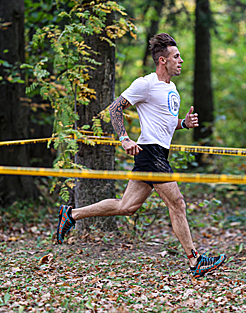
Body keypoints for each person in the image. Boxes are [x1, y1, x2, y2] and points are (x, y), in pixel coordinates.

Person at [56, 33, 226, 278]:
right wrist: (124, 138)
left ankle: (71, 214)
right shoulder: (145, 84)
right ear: (162, 60)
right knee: (177, 203)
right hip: (151, 153)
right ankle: (195, 260)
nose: (181, 60)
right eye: (176, 57)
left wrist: (184, 124)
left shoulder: (172, 89)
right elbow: (115, 107)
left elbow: (165, 124)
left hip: (157, 153)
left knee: (127, 207)